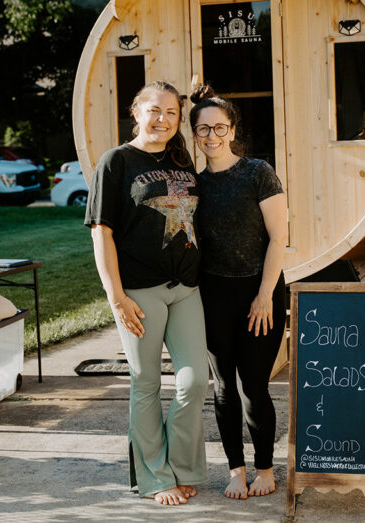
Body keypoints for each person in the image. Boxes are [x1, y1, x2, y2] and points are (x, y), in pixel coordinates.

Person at [85, 81, 208, 506]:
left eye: (172, 112)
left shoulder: (180, 159)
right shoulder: (115, 162)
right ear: (135, 112)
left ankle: (183, 468)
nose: (162, 119)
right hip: (140, 291)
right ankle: (156, 477)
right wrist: (116, 296)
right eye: (154, 110)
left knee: (194, 381)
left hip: (186, 289)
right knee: (146, 383)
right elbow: (102, 232)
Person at [189, 85, 288, 499]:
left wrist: (265, 294)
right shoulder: (192, 187)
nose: (211, 136)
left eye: (219, 127)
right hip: (213, 296)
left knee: (254, 386)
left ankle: (265, 468)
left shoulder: (257, 172)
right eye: (202, 129)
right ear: (194, 135)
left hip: (259, 293)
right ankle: (236, 469)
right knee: (223, 388)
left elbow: (278, 239)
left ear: (232, 130)